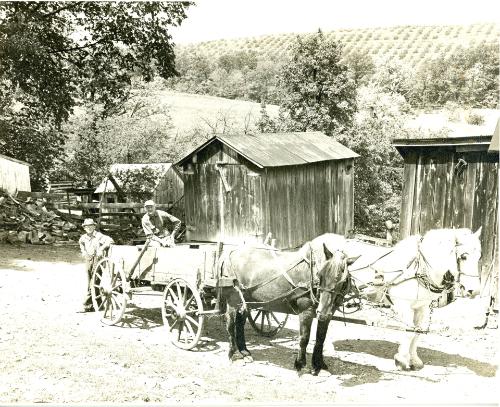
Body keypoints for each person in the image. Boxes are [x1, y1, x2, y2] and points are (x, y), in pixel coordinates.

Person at [77, 218, 114, 313]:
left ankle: (87, 305)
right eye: (87, 226)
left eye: (91, 226)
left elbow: (110, 240)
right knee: (90, 280)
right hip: (88, 259)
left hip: (97, 260)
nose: (89, 228)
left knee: (94, 280)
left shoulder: (99, 235)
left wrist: (101, 248)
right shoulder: (83, 237)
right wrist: (83, 252)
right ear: (84, 228)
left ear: (94, 226)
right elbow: (80, 243)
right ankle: (98, 303)